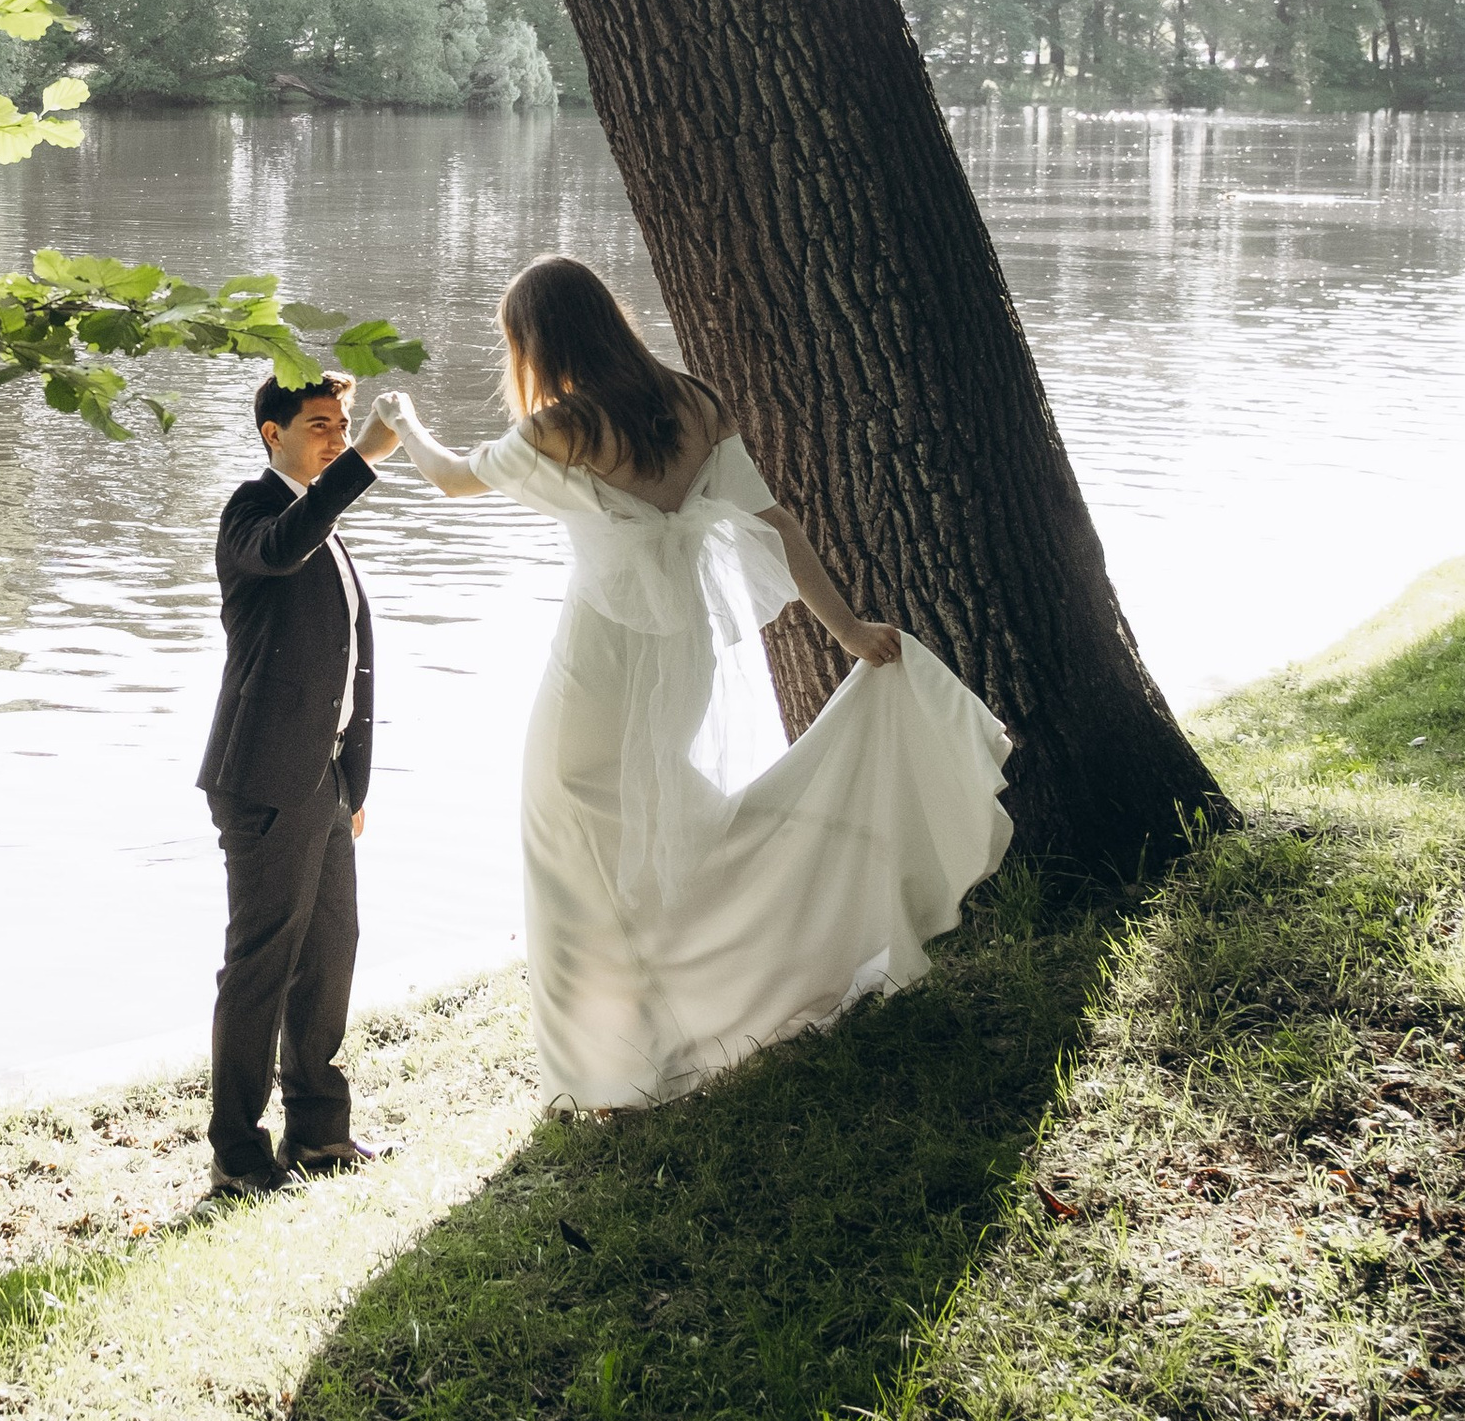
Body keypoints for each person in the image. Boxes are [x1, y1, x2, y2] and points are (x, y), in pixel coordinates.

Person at [378, 256, 1012, 1111]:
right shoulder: (695, 400)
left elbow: (450, 478)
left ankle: (604, 1067)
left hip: (600, 662)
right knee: (661, 826)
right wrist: (849, 630)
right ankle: (680, 1013)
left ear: (539, 342)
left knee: (567, 829)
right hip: (683, 655)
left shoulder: (560, 426)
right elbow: (775, 520)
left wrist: (402, 417)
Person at [197, 371, 400, 1194]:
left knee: (329, 953)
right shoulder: (252, 515)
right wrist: (364, 465)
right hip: (264, 781)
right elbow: (286, 546)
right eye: (320, 424)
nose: (338, 437)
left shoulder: (325, 523)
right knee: (261, 964)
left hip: (324, 782)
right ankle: (236, 1152)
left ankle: (318, 1134)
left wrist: (354, 785)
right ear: (270, 433)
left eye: (345, 423)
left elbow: (352, 661)